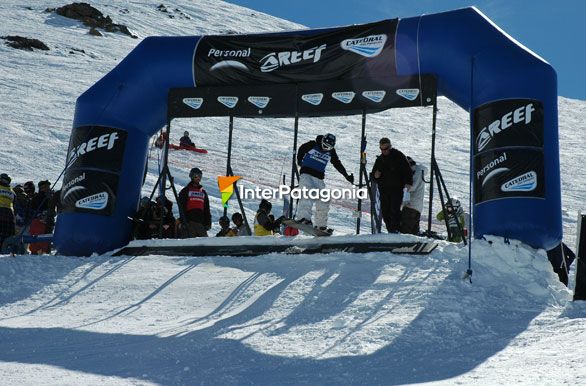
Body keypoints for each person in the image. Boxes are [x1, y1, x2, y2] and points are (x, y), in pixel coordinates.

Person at [295, 133, 354, 232]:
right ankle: (304, 218)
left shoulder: (331, 151)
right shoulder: (313, 144)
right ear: (322, 141)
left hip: (319, 178)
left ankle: (321, 225)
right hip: (307, 174)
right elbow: (302, 148)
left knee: (324, 200)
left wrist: (346, 175)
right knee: (308, 194)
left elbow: (337, 163)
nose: (326, 149)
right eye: (325, 146)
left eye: (328, 148)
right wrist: (299, 160)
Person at [371, 137, 413, 233]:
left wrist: (408, 184)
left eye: (385, 149)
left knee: (395, 210)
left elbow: (407, 171)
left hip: (396, 189)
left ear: (390, 146)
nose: (383, 151)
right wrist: (375, 175)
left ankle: (396, 230)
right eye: (381, 149)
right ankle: (391, 231)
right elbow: (373, 175)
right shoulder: (380, 159)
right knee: (385, 211)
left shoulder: (398, 156)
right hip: (384, 189)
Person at [178, 167, 211, 237]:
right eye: (196, 176)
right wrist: (184, 221)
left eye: (200, 176)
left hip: (201, 223)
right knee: (189, 244)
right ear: (192, 176)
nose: (198, 178)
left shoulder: (203, 192)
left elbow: (206, 209)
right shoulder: (185, 191)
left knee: (204, 244)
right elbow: (181, 207)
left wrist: (208, 223)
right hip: (190, 222)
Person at [399, 156, 426, 235]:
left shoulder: (418, 173)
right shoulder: (418, 172)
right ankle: (412, 244)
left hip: (411, 207)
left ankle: (402, 245)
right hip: (415, 207)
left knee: (404, 230)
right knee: (413, 232)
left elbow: (410, 187)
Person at [0, 173, 16, 249]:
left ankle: (5, 249)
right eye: (3, 180)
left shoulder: (12, 191)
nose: (4, 181)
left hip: (9, 214)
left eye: (6, 180)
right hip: (7, 213)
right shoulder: (12, 192)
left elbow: (15, 204)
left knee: (8, 234)